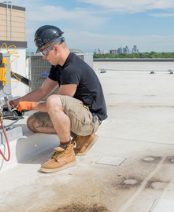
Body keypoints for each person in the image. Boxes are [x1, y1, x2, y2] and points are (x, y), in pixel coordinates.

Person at [10, 25, 107, 173]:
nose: (43, 57)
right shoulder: (58, 66)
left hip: (89, 120)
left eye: (44, 52)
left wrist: (29, 105)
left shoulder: (72, 68)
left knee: (54, 100)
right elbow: (43, 90)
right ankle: (83, 138)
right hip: (78, 117)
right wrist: (16, 103)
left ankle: (66, 149)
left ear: (55, 49)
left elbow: (57, 104)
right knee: (33, 123)